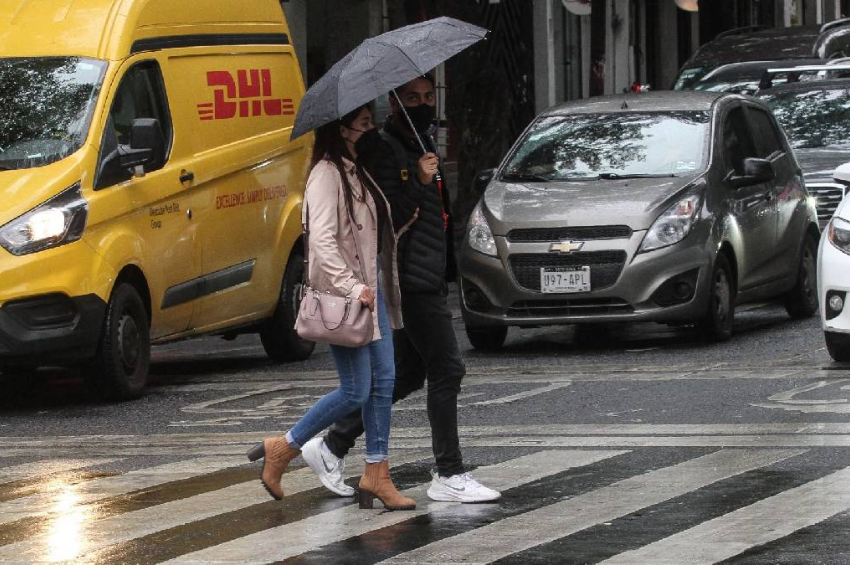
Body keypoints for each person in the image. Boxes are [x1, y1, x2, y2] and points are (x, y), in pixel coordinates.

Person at [300, 74, 501, 503]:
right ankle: (448, 472)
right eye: (412, 97)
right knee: (447, 368)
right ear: (395, 102)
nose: (423, 103)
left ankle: (333, 444)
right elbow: (388, 218)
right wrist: (420, 183)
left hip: (426, 274)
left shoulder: (420, 144)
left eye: (429, 96)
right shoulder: (385, 151)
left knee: (407, 373)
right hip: (407, 280)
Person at [247, 104, 416, 511]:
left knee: (382, 382)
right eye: (361, 118)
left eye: (369, 117)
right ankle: (284, 448)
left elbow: (369, 231)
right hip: (348, 295)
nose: (369, 123)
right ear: (338, 126)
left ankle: (377, 472)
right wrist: (353, 286)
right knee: (357, 388)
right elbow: (321, 242)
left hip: (368, 288)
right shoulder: (326, 173)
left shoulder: (355, 169)